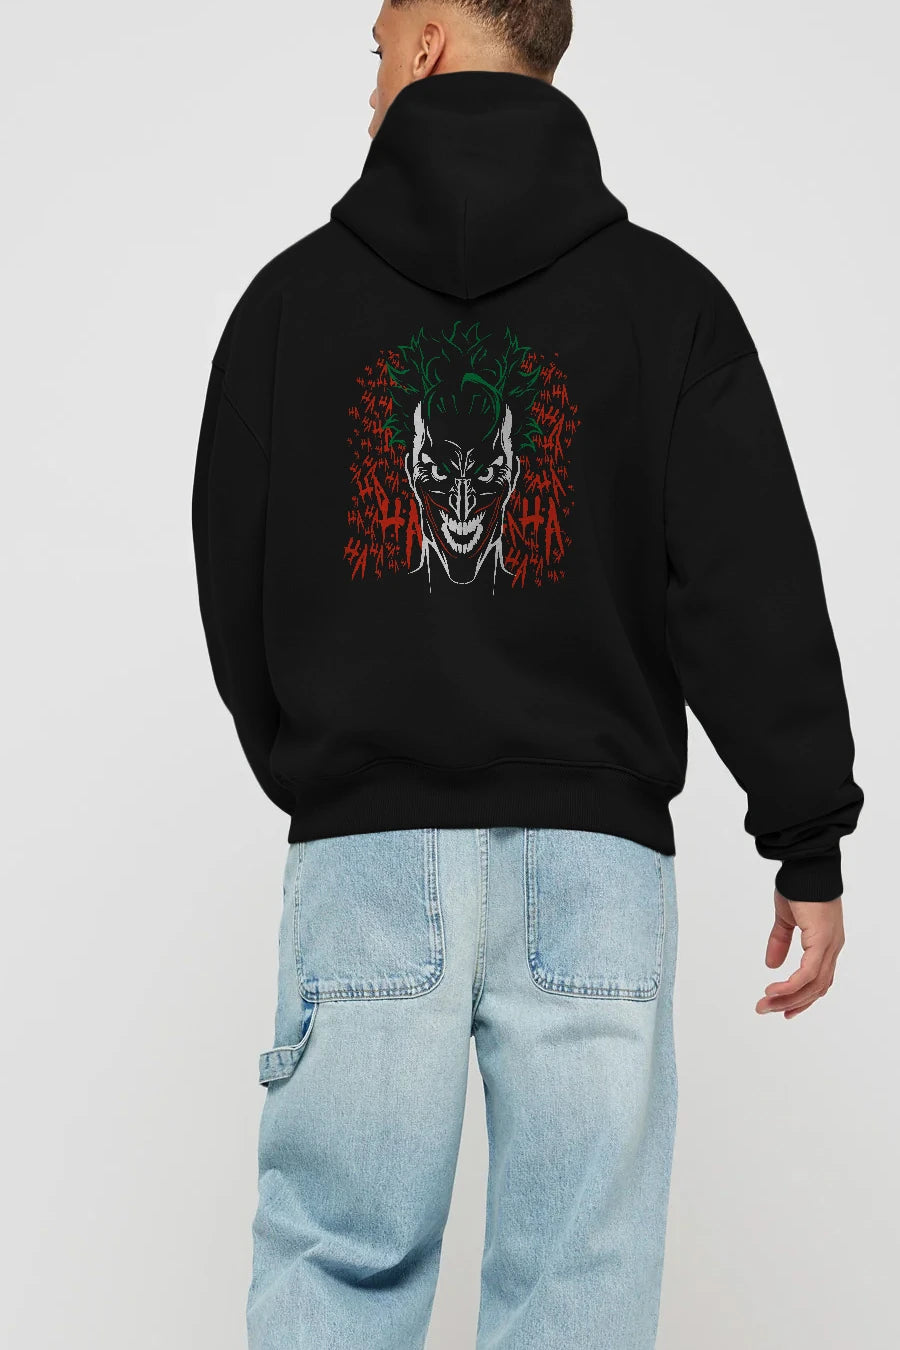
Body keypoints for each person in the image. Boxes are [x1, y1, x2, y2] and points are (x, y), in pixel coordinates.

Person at [191, 3, 864, 1346]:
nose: (371, 74)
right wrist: (807, 836)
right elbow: (747, 580)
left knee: (337, 1266)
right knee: (578, 1291)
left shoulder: (289, 305)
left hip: (366, 856)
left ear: (433, 42)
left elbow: (234, 579)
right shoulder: (667, 304)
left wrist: (336, 769)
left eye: (380, 43)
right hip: (594, 870)